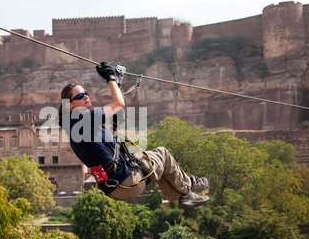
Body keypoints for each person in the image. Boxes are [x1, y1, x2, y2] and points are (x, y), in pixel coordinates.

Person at [58, 62, 209, 209]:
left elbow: (114, 123)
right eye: (80, 96)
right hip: (127, 182)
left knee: (156, 162)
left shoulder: (74, 127)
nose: (86, 97)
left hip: (115, 188)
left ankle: (184, 195)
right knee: (162, 153)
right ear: (69, 105)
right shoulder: (82, 119)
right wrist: (111, 79)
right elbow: (118, 103)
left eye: (86, 93)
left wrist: (116, 90)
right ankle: (189, 186)